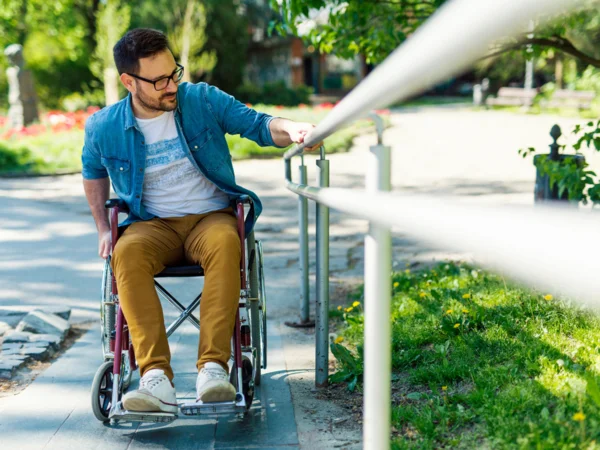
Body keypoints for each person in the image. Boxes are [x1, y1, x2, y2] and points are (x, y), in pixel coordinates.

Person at [82, 28, 320, 414]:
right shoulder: (103, 127)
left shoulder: (201, 101)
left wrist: (293, 129)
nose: (170, 85)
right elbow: (93, 172)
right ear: (129, 82)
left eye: (173, 72)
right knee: (125, 254)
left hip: (210, 218)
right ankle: (155, 378)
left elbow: (258, 124)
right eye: (158, 80)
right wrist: (102, 228)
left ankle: (213, 368)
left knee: (228, 241)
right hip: (152, 224)